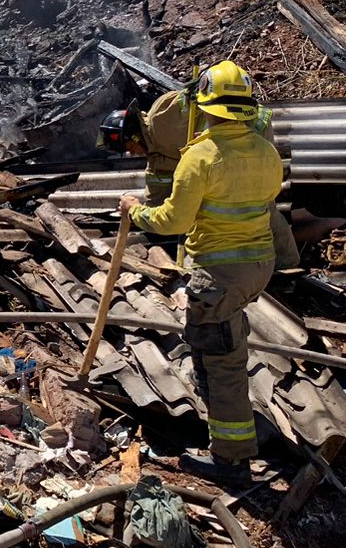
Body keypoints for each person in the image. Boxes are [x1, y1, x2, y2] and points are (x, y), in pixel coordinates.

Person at [117, 61, 284, 485]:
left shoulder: (201, 156)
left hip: (219, 273)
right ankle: (220, 419)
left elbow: (173, 221)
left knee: (224, 362)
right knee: (220, 344)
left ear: (204, 106)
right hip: (258, 266)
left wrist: (135, 212)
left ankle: (231, 459)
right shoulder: (266, 151)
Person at [100, 86, 298, 271]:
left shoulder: (162, 114)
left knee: (260, 201)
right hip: (224, 145)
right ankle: (246, 265)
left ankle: (286, 263)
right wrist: (139, 214)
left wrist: (196, 100)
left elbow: (196, 98)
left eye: (127, 149)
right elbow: (157, 198)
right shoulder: (156, 158)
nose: (131, 155)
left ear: (133, 137)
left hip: (248, 126)